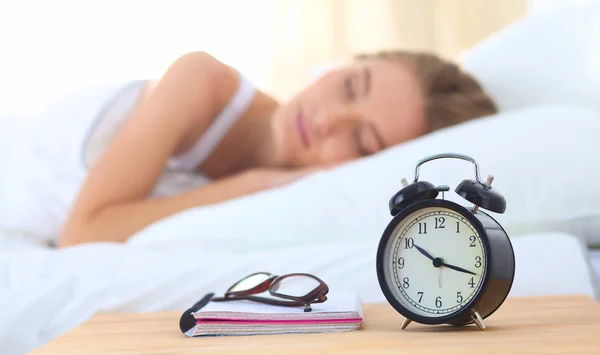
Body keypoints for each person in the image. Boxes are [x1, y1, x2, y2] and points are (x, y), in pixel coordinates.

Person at [58, 50, 497, 247]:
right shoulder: (201, 80)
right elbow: (81, 234)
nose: (326, 120)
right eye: (348, 86)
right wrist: (252, 184)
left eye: (361, 141)